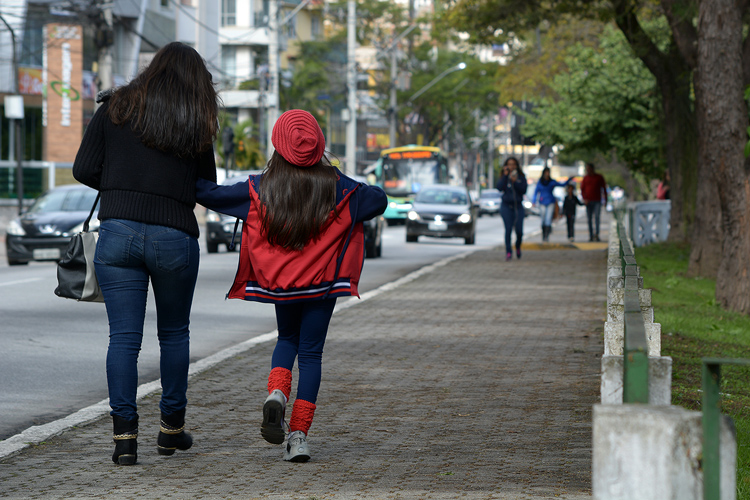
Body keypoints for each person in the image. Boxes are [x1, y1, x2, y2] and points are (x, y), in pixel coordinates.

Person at [195, 109, 387, 462]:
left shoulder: (259, 188)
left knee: (286, 339)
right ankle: (298, 436)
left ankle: (278, 394)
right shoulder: (341, 189)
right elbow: (378, 199)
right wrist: (336, 174)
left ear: (278, 145)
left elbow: (210, 194)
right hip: (323, 286)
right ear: (319, 145)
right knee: (311, 354)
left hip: (281, 286)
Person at [73, 42, 220, 465]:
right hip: (174, 237)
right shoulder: (194, 119)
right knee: (173, 334)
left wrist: (122, 182)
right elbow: (204, 185)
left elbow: (84, 168)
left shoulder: (115, 107)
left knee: (123, 339)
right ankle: (171, 431)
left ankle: (124, 440)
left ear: (153, 69)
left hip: (117, 234)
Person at [496, 157, 528, 261]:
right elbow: (499, 188)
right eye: (509, 164)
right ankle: (508, 252)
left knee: (519, 231)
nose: (511, 166)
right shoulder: (504, 177)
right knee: (508, 229)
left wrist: (516, 182)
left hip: (518, 206)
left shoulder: (521, 177)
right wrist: (505, 176)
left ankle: (518, 246)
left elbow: (523, 190)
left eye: (513, 164)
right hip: (506, 206)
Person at [532, 167, 570, 242]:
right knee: (543, 219)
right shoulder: (540, 182)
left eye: (548, 172)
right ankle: (543, 235)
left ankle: (546, 236)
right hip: (542, 202)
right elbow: (536, 192)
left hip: (550, 202)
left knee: (548, 219)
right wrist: (534, 201)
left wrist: (569, 180)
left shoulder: (552, 182)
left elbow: (562, 184)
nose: (547, 174)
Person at [580, 162, 608, 242]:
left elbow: (604, 189)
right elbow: (582, 190)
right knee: (589, 219)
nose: (588, 170)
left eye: (589, 169)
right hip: (588, 201)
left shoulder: (599, 177)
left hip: (597, 201)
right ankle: (591, 235)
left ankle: (597, 234)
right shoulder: (585, 178)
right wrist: (584, 199)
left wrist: (605, 200)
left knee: (597, 218)